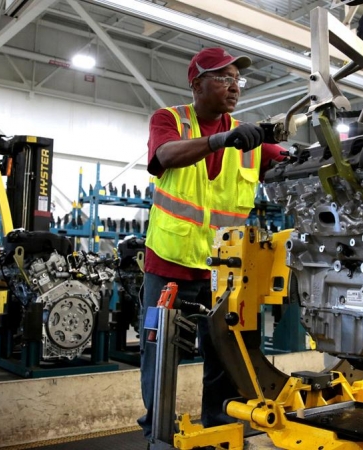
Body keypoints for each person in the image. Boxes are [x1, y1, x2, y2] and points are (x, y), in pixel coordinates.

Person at [139, 47, 286, 445]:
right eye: (223, 78)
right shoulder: (170, 120)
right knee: (159, 357)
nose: (234, 86)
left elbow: (291, 160)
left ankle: (219, 433)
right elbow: (164, 155)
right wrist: (222, 139)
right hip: (169, 266)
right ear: (196, 84)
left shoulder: (248, 136)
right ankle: (159, 435)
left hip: (225, 272)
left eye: (237, 79)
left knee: (225, 360)